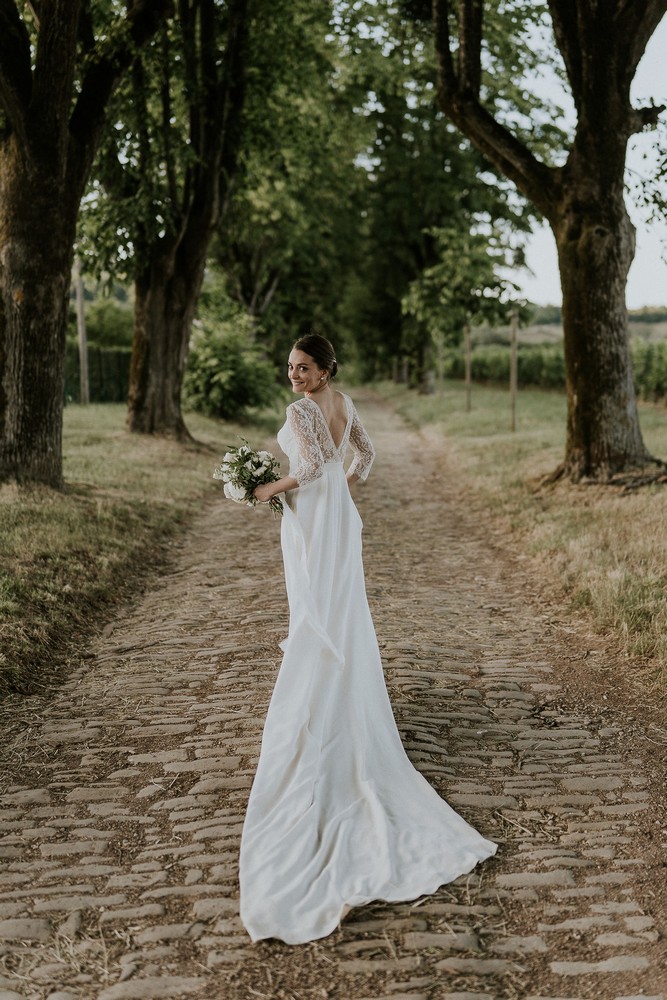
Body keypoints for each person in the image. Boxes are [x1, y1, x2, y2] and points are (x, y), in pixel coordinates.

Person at [239, 334, 496, 945]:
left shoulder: (305, 410)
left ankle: (321, 694)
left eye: (304, 368)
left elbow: (306, 471)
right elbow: (366, 456)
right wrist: (342, 489)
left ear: (325, 369)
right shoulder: (347, 404)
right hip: (339, 517)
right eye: (291, 368)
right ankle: (338, 682)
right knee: (339, 607)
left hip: (315, 514)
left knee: (316, 608)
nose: (294, 376)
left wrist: (265, 490)